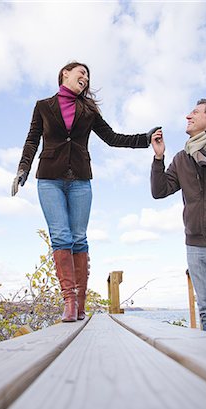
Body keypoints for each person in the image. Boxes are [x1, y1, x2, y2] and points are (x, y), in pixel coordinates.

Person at [12, 61, 159, 322]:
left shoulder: (88, 110)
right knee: (60, 236)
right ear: (65, 74)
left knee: (78, 238)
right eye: (82, 72)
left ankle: (80, 303)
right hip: (49, 179)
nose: (86, 77)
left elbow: (112, 138)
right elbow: (32, 139)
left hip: (80, 180)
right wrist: (23, 169)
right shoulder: (43, 106)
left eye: (88, 76)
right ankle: (68, 301)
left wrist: (144, 139)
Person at [150, 98, 206, 331]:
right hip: (195, 244)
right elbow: (160, 190)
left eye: (195, 112)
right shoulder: (181, 158)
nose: (188, 116)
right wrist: (158, 157)